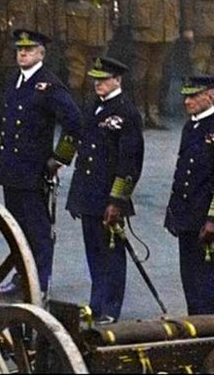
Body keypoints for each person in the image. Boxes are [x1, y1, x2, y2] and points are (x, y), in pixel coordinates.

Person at [0, 29, 81, 297]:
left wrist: (59, 158)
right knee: (16, 229)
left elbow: (75, 123)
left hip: (33, 170)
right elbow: (0, 121)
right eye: (20, 50)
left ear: (41, 53)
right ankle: (21, 276)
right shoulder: (13, 80)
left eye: (29, 50)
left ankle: (39, 282)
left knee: (38, 230)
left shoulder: (49, 86)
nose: (22, 54)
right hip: (10, 168)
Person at [66, 56, 144, 324]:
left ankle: (110, 308)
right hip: (89, 193)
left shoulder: (127, 113)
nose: (98, 84)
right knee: (94, 253)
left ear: (117, 80)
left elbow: (130, 163)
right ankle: (96, 303)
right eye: (96, 79)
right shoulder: (93, 106)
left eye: (104, 79)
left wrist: (117, 201)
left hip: (108, 196)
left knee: (111, 255)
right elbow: (83, 151)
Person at [165, 74, 214, 315]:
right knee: (189, 281)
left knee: (206, 283)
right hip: (186, 217)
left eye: (194, 96)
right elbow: (182, 173)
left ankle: (211, 328)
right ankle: (196, 325)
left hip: (205, 220)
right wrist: (173, 214)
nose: (187, 101)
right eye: (186, 96)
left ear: (211, 95)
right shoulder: (190, 127)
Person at [118, 0, 183, 130]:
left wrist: (177, 12)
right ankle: (138, 111)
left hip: (166, 14)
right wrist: (125, 18)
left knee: (157, 69)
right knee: (140, 69)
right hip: (143, 14)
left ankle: (153, 111)